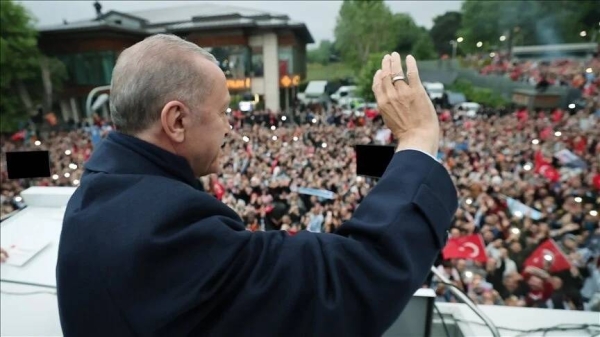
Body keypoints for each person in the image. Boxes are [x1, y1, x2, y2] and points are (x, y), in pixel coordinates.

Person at [56, 34, 457, 337]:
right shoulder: (166, 227)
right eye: (223, 113)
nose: (230, 126)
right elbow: (348, 279)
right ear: (176, 120)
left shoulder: (95, 193)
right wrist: (418, 138)